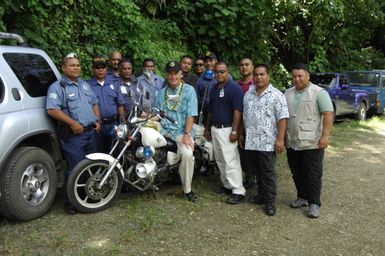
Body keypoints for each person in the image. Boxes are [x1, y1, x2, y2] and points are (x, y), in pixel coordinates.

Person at [46, 52, 101, 214]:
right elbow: (52, 110)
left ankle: (88, 196)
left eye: (78, 65)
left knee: (91, 167)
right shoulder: (58, 87)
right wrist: (72, 123)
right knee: (75, 168)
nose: (76, 68)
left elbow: (95, 103)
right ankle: (71, 202)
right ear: (63, 68)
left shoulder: (84, 85)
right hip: (74, 136)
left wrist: (97, 120)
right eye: (72, 65)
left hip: (91, 133)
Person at [285, 63, 333, 218]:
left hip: (312, 141)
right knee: (296, 172)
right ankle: (302, 197)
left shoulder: (319, 92)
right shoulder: (287, 93)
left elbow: (328, 114)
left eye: (300, 76)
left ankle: (314, 203)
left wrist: (325, 136)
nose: (297, 79)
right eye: (294, 76)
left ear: (308, 76)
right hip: (292, 140)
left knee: (312, 173)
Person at [241, 64, 289, 216]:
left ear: (268, 75)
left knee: (268, 172)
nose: (258, 77)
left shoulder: (277, 95)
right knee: (257, 171)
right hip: (252, 141)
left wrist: (280, 139)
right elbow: (244, 116)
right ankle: (261, 195)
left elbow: (282, 118)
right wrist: (242, 133)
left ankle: (269, 202)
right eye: (256, 75)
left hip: (268, 142)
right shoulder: (248, 94)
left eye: (262, 74)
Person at [155, 61, 199, 202]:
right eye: (170, 74)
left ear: (181, 75)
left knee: (187, 154)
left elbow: (191, 115)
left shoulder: (189, 91)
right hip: (163, 129)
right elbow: (158, 114)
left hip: (180, 131)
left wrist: (186, 135)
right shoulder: (162, 92)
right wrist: (147, 116)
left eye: (176, 73)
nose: (173, 76)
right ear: (167, 75)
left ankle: (187, 189)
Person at [204, 62, 246, 204]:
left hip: (228, 129)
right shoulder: (214, 88)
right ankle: (227, 185)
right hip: (215, 129)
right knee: (220, 159)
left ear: (227, 72)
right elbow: (210, 110)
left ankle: (238, 190)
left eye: (222, 72)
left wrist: (235, 130)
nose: (219, 74)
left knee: (231, 160)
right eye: (217, 72)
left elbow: (237, 111)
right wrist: (207, 127)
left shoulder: (234, 88)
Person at [87, 56, 126, 153]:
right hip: (97, 126)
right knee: (98, 152)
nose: (100, 70)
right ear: (93, 69)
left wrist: (123, 121)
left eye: (103, 67)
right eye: (97, 67)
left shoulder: (114, 84)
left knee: (115, 150)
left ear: (106, 69)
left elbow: (119, 104)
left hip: (113, 123)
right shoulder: (87, 86)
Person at [237, 57, 256, 190]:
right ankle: (249, 177)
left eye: (247, 65)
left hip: (256, 124)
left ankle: (259, 177)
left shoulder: (258, 83)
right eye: (242, 65)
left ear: (252, 67)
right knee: (243, 152)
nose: (244, 67)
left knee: (256, 153)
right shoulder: (235, 85)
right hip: (239, 123)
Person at [195, 52, 218, 125]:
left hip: (218, 114)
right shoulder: (200, 79)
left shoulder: (224, 76)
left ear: (216, 61)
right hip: (203, 113)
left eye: (211, 61)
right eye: (206, 61)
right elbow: (196, 98)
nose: (208, 63)